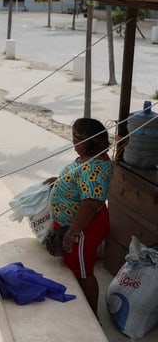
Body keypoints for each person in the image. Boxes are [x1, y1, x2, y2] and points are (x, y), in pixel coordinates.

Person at [45, 117, 113, 316]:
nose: (73, 142)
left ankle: (92, 317)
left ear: (88, 141)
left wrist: (72, 233)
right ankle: (79, 308)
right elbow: (80, 179)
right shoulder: (89, 159)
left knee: (84, 271)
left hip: (84, 228)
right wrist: (60, 181)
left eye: (76, 138)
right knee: (74, 265)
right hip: (78, 225)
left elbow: (90, 204)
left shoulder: (95, 167)